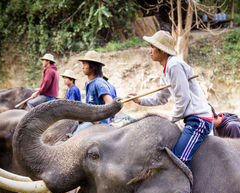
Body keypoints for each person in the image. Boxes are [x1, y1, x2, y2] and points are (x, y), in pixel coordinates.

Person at [132, 30, 213, 169]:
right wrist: (140, 100)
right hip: (190, 118)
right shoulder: (166, 69)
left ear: (162, 51)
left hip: (198, 120)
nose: (149, 51)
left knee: (178, 161)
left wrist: (173, 119)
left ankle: (187, 190)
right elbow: (162, 98)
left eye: (152, 47)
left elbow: (183, 98)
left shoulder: (174, 65)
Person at [73, 50, 116, 134]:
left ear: (93, 66)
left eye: (85, 64)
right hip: (90, 119)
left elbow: (110, 102)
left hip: (99, 123)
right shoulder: (87, 82)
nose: (83, 67)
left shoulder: (99, 83)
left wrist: (99, 120)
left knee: (76, 134)